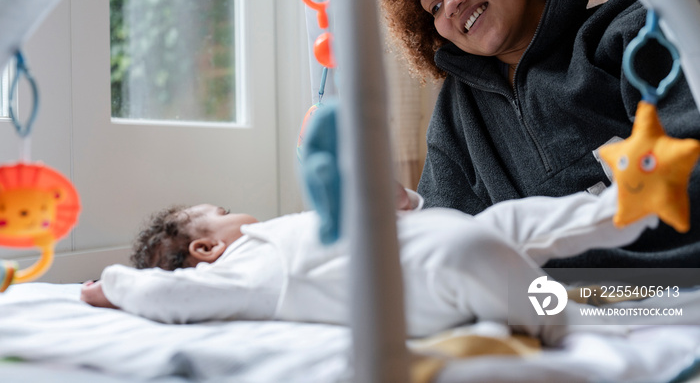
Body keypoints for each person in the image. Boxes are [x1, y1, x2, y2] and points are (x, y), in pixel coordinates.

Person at [373, 0, 700, 267]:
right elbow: (445, 252)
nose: (452, 3)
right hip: (546, 308)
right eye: (434, 6)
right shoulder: (457, 111)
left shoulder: (639, 28)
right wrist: (412, 212)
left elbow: (688, 174)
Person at [81, 185, 658, 345]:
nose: (239, 213)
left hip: (435, 237)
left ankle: (628, 207)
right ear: (205, 249)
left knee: (512, 221)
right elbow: (170, 298)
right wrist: (114, 285)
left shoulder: (284, 232)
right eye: (223, 213)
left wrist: (401, 202)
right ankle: (578, 321)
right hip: (431, 278)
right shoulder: (235, 273)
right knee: (483, 259)